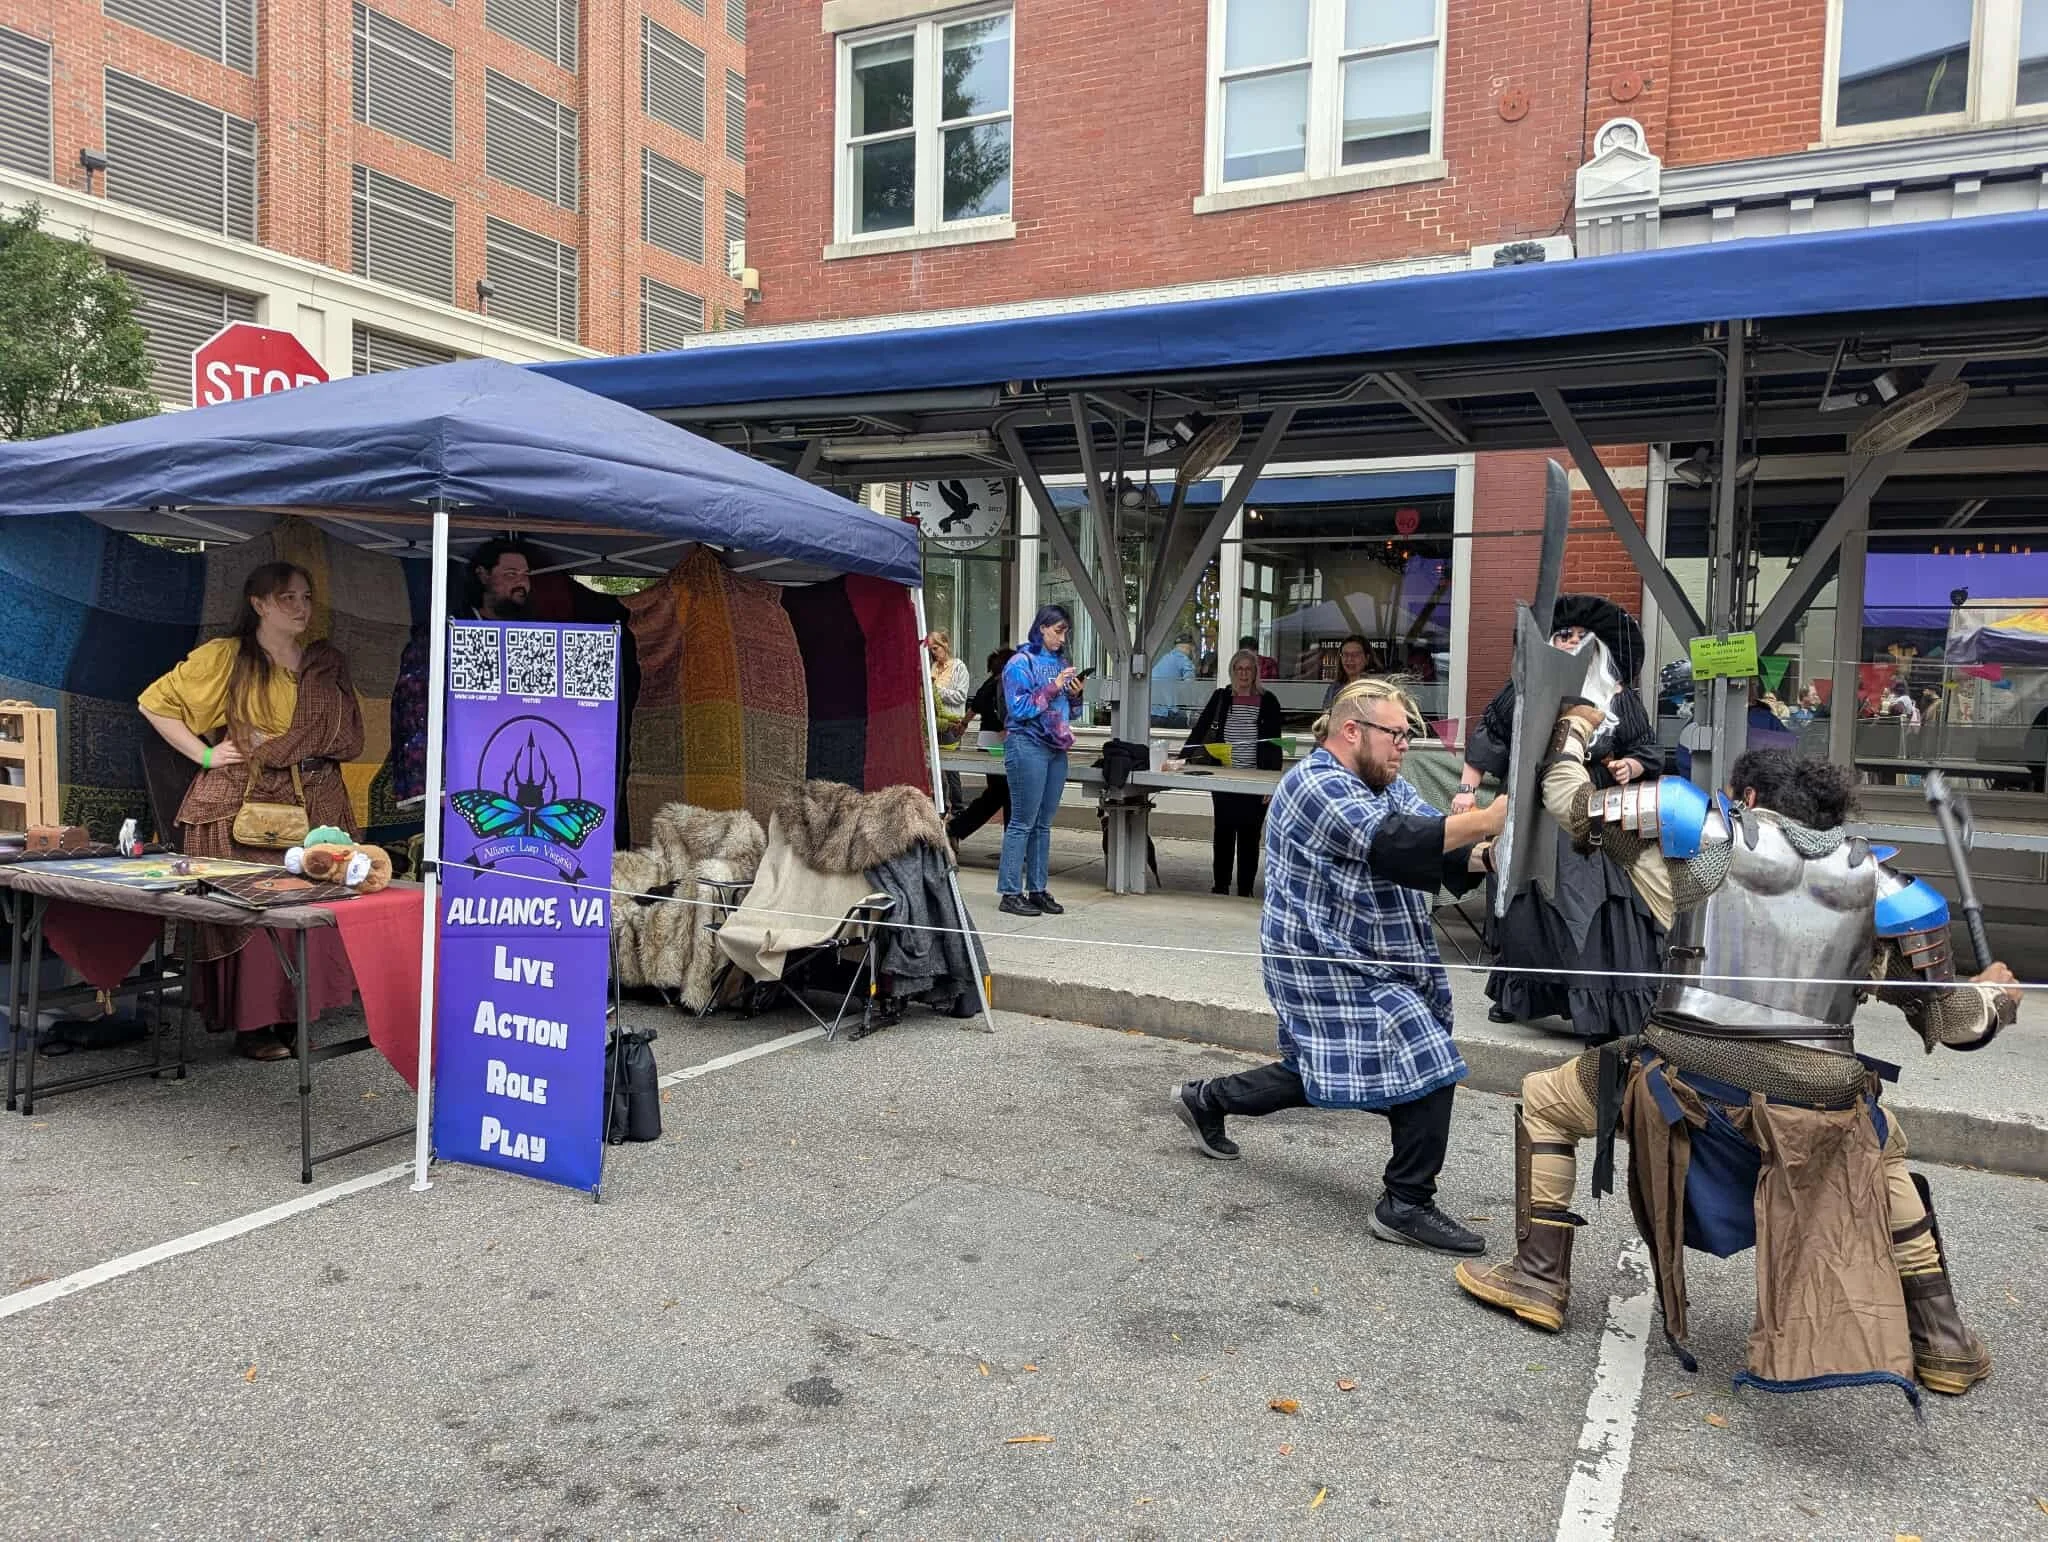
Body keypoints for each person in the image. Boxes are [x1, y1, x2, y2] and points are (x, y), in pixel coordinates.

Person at [1454, 721, 2022, 1403]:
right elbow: (1956, 1026)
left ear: (1748, 797)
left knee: (1547, 1098)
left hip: (1686, 1083)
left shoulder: (1705, 835)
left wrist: (1572, 735)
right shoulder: (1885, 888)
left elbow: (1573, 804)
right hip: (1816, 1103)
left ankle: (1538, 1278)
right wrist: (1995, 994)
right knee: (1880, 1155)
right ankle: (1943, 1341)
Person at [1171, 679, 1509, 1255]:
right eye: (1396, 735)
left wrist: (1491, 854)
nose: (1405, 746)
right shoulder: (1314, 783)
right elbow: (1393, 841)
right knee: (1424, 1055)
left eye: (1407, 735)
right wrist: (1491, 818)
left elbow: (1433, 843)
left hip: (1366, 953)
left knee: (1322, 1070)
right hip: (1318, 956)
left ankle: (1207, 1099)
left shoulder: (1386, 785)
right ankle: (1406, 1203)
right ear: (1353, 730)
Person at [139, 563, 365, 1060]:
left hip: (316, 798)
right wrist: (204, 755)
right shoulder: (228, 656)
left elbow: (348, 734)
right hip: (245, 803)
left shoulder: (324, 663)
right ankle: (254, 1024)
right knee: (257, 914)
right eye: (288, 598)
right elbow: (154, 704)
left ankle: (294, 1016)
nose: (302, 607)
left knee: (309, 906)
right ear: (259, 604)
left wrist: (293, 746)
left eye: (306, 596)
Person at [1457, 595, 1664, 1042]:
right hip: (1533, 809)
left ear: (1598, 647)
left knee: (1593, 907)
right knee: (1526, 903)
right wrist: (1466, 790)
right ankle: (1518, 996)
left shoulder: (1617, 696)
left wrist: (1630, 766)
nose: (1571, 641)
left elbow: (1646, 748)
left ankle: (1600, 1008)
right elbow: (1489, 736)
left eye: (1580, 636)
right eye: (1563, 635)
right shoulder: (1524, 689)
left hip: (1592, 813)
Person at [997, 607, 1083, 918]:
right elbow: (1018, 708)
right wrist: (1053, 686)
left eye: (1066, 632)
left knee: (1043, 823)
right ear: (1042, 628)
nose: (1063, 638)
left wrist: (1075, 695)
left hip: (1056, 746)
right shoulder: (1020, 662)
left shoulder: (1059, 663)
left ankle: (1037, 888)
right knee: (1022, 821)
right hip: (1027, 744)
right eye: (1058, 630)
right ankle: (1010, 892)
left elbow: (1072, 713)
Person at [1179, 649, 1282, 896]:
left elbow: (1275, 744)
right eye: (1239, 669)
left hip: (1256, 779)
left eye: (1248, 669)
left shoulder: (1268, 701)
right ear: (1232, 671)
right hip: (1223, 777)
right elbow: (1201, 728)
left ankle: (1245, 889)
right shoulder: (1221, 697)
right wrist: (1181, 758)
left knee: (1250, 835)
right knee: (1223, 832)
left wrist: (1272, 783)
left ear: (1255, 672)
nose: (1243, 674)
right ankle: (1221, 885)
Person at [947, 648, 1013, 848]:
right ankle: (1012, 844)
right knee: (1006, 792)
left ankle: (957, 828)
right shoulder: (1004, 684)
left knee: (999, 793)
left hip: (987, 742)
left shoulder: (989, 683)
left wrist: (963, 724)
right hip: (999, 743)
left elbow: (974, 706)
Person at [927, 628, 972, 814]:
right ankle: (940, 807)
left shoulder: (958, 667)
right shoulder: (932, 667)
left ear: (945, 645)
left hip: (952, 723)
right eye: (930, 649)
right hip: (935, 723)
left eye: (935, 648)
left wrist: (936, 690)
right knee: (935, 769)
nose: (933, 653)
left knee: (952, 769)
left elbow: (960, 696)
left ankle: (958, 807)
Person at [1321, 635, 1375, 710]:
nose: (1349, 659)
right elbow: (1326, 713)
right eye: (1345, 654)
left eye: (1355, 655)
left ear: (1367, 658)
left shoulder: (1375, 687)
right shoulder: (1333, 688)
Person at [1150, 635, 1197, 724]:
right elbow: (1189, 685)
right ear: (1190, 648)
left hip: (1150, 711)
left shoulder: (1165, 658)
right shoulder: (1184, 660)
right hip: (1165, 713)